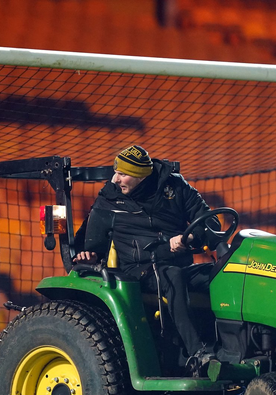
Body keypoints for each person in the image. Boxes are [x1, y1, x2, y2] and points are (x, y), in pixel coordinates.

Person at [74, 145, 219, 373]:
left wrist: (189, 237)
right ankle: (197, 354)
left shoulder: (176, 187)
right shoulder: (109, 197)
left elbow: (211, 224)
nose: (115, 178)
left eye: (123, 174)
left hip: (178, 265)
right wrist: (86, 253)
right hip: (136, 271)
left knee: (221, 273)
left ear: (142, 176)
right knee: (171, 276)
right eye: (116, 171)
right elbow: (86, 242)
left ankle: (227, 346)